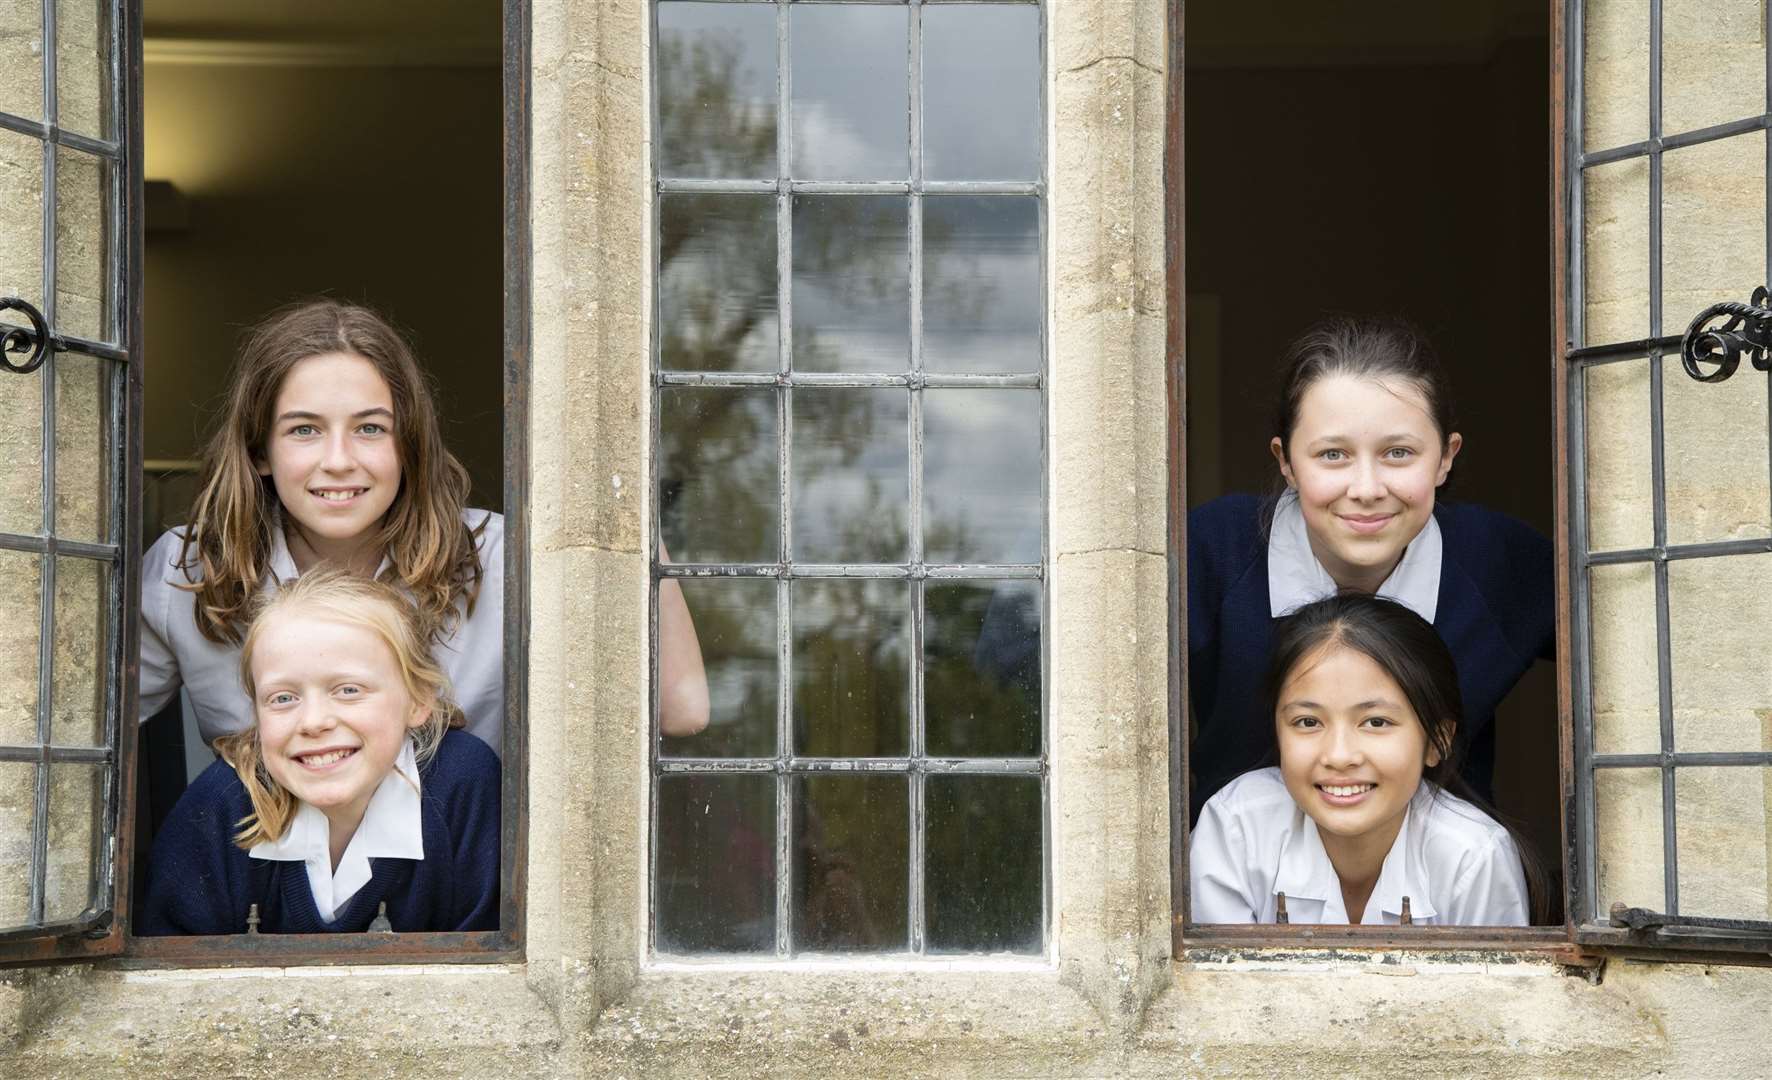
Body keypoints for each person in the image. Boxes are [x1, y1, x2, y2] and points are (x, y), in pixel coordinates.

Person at [139, 299, 711, 752]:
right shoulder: (187, 570)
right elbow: (80, 734)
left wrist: (615, 493)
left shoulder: (499, 558)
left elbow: (681, 708)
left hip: (462, 888)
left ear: (409, 446)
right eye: (304, 430)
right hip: (265, 892)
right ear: (259, 451)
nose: (338, 459)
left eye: (370, 429)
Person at [1187, 317, 1553, 817]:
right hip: (1238, 878)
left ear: (1446, 457)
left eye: (1398, 453)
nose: (1366, 488)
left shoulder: (1501, 562)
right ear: (1286, 462)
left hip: (1442, 882)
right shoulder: (1209, 553)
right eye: (1332, 455)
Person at [139, 570, 499, 934]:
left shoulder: (463, 783)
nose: (313, 722)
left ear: (418, 699)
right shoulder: (221, 803)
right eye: (283, 698)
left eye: (348, 690)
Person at [1189, 593, 1539, 926]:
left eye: (1376, 722)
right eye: (1308, 722)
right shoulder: (1235, 827)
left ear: (1437, 740)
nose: (1339, 756)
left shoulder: (1473, 857)